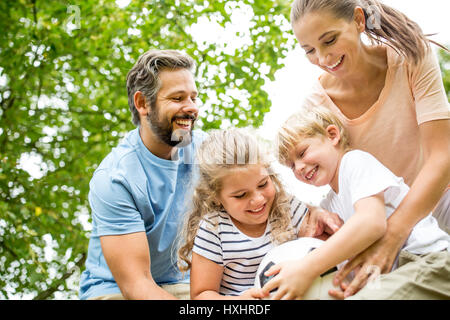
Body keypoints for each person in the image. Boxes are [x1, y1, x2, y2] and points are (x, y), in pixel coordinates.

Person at [288, 0, 450, 297]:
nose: (323, 58)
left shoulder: (411, 57)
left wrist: (392, 237)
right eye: (309, 50)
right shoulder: (318, 106)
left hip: (440, 195)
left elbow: (442, 157)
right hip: (385, 211)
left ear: (359, 20)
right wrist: (314, 214)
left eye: (330, 40)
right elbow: (335, 184)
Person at [262, 105, 449, 299]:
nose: (299, 167)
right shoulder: (328, 206)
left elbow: (371, 223)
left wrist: (306, 267)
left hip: (427, 260)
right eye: (291, 166)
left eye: (302, 153)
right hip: (392, 276)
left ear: (332, 135)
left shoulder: (354, 162)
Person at [78, 49, 207, 300]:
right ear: (142, 104)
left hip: (185, 284)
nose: (191, 108)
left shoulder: (206, 151)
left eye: (193, 97)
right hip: (117, 290)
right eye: (178, 98)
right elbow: (137, 285)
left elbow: (264, 181)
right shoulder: (116, 179)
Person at [177, 128, 311, 299]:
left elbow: (318, 249)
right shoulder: (214, 229)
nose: (258, 199)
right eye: (241, 195)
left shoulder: (288, 207)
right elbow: (202, 294)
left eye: (263, 184)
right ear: (216, 196)